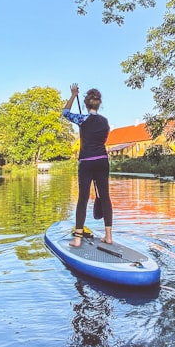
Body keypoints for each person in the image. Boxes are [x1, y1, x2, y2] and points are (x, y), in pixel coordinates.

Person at [62, 83, 113, 247]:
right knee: (105, 197)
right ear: (99, 104)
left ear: (86, 103)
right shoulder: (105, 122)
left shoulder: (82, 119)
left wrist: (72, 95)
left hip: (86, 162)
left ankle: (77, 239)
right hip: (102, 161)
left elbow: (65, 112)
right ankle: (108, 236)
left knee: (83, 198)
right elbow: (103, 139)